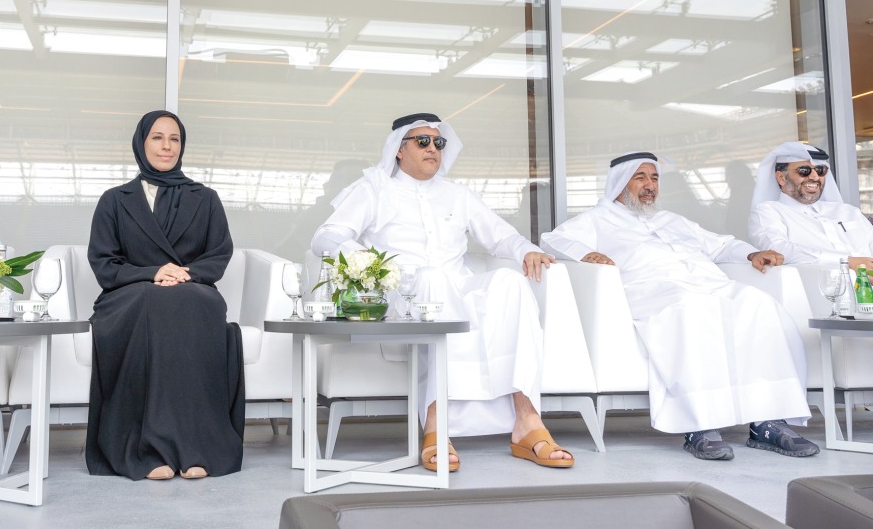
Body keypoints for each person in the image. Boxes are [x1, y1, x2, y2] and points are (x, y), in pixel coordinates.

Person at [311, 112, 573, 471]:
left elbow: (501, 235)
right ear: (399, 150)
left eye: (438, 142)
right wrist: (365, 260)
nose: (432, 148)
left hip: (457, 284)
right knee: (433, 280)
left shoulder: (458, 195)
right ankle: (436, 424)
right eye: (422, 141)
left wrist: (525, 250)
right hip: (405, 293)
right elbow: (325, 237)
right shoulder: (373, 189)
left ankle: (527, 423)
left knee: (511, 282)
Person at [541, 151, 818, 460]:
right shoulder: (596, 220)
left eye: (655, 178)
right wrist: (585, 254)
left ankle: (768, 423)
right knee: (690, 313)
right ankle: (699, 425)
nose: (650, 185)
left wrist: (751, 254)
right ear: (620, 183)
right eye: (641, 177)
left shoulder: (672, 220)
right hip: (656, 293)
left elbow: (722, 244)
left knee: (760, 306)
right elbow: (552, 240)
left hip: (710, 286)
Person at [85, 110, 244, 481]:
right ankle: (144, 450)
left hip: (192, 289)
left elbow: (218, 254)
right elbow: (105, 264)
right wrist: (152, 272)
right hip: (128, 295)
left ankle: (198, 449)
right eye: (157, 137)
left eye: (174, 139)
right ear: (142, 144)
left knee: (190, 302)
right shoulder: (114, 200)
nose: (166, 146)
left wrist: (184, 274)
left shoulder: (206, 198)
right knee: (151, 301)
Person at [749, 142, 873, 269]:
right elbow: (777, 251)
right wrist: (847, 262)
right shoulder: (769, 212)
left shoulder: (848, 211)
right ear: (781, 178)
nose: (815, 177)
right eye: (804, 171)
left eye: (820, 170)